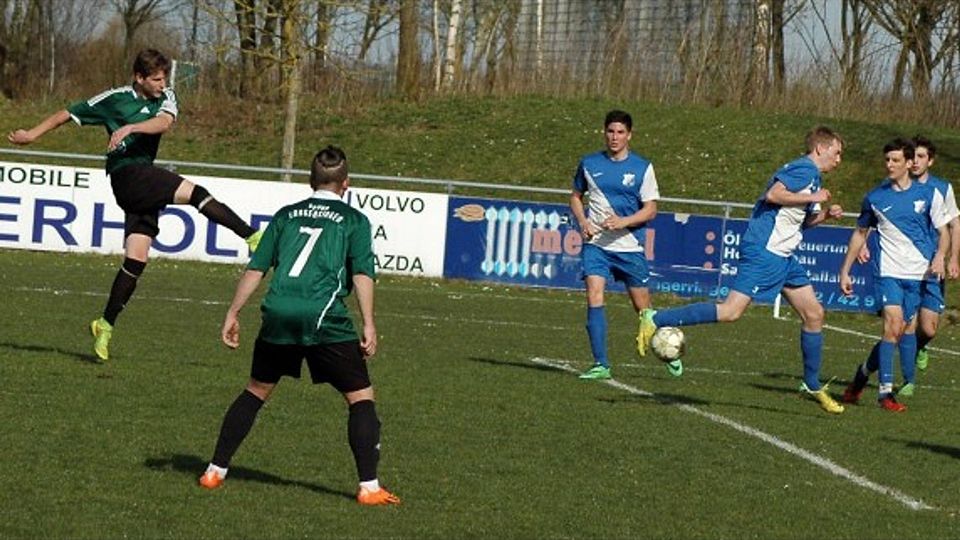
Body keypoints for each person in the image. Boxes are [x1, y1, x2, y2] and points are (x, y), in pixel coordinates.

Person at [7, 48, 262, 361]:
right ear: (138, 77)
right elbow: (68, 112)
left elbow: (164, 123)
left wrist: (130, 128)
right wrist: (31, 135)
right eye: (155, 78)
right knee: (197, 194)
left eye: (164, 77)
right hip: (127, 177)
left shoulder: (166, 96)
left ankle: (105, 324)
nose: (162, 83)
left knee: (137, 259)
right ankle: (252, 236)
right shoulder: (114, 98)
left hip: (144, 182)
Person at [197, 146, 400, 506]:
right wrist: (368, 322)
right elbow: (362, 273)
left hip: (278, 313)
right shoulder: (354, 220)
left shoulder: (286, 216)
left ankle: (214, 470)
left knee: (256, 391)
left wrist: (233, 311)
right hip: (325, 319)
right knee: (360, 397)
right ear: (346, 184)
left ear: (310, 181)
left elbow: (257, 267)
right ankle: (369, 487)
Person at [637, 126, 846, 414]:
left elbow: (800, 222)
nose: (839, 159)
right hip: (764, 252)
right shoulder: (805, 170)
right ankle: (656, 317)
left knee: (814, 314)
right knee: (731, 312)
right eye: (837, 152)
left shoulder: (813, 178)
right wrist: (813, 198)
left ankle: (811, 384)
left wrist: (823, 214)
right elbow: (774, 195)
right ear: (821, 148)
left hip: (784, 257)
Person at [839, 138, 949, 412]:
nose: (889, 165)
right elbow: (859, 234)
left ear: (910, 163)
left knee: (899, 332)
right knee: (892, 326)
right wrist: (845, 270)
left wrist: (939, 257)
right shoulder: (875, 198)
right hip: (888, 273)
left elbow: (944, 232)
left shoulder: (929, 195)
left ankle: (861, 377)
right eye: (887, 160)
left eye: (895, 160)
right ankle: (885, 395)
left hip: (919, 275)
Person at [569, 109, 672, 380]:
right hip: (597, 245)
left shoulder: (642, 167)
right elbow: (576, 196)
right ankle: (601, 364)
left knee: (644, 311)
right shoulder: (589, 163)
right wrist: (582, 222)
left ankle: (669, 349)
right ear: (604, 133)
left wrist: (623, 221)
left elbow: (651, 210)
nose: (614, 137)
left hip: (629, 247)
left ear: (629, 135)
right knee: (594, 294)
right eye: (610, 131)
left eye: (620, 132)